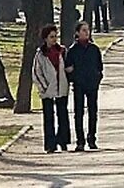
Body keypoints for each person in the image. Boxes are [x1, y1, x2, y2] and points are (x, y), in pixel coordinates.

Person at [65, 21, 104, 151]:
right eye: (83, 30)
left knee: (93, 112)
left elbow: (99, 66)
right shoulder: (73, 50)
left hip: (92, 85)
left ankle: (92, 138)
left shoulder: (94, 49)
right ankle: (80, 141)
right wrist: (74, 78)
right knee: (79, 112)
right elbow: (68, 68)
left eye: (88, 30)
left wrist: (97, 77)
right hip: (79, 84)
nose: (86, 32)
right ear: (77, 33)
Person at [33, 24, 71, 153]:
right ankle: (50, 144)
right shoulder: (40, 55)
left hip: (62, 87)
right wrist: (44, 87)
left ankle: (63, 140)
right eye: (51, 37)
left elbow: (67, 67)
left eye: (55, 36)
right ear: (45, 38)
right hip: (47, 90)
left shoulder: (62, 51)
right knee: (48, 117)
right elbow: (37, 72)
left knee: (63, 115)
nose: (54, 39)